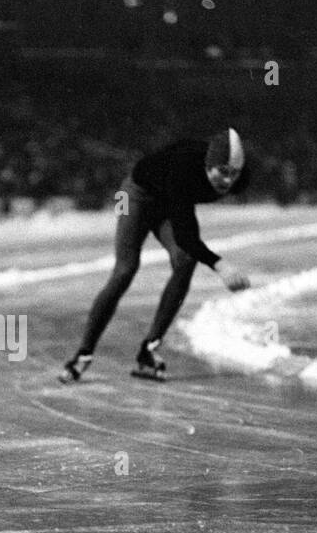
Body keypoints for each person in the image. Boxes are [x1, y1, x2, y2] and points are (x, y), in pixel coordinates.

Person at [60, 129, 251, 383]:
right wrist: (220, 265)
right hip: (130, 194)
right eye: (222, 172)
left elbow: (185, 235)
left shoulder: (239, 177)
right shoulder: (183, 172)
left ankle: (149, 349)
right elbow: (186, 236)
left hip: (166, 200)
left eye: (234, 173)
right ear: (208, 164)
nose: (228, 181)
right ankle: (83, 353)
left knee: (185, 260)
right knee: (125, 269)